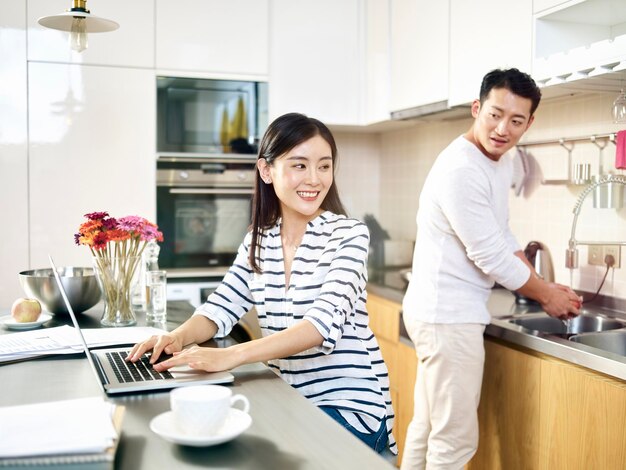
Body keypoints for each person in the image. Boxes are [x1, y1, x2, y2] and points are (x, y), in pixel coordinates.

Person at [128, 112, 397, 455]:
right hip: (289, 400)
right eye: (299, 165)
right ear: (267, 171)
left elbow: (319, 326)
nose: (314, 179)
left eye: (324, 166)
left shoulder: (349, 235)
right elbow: (220, 308)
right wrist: (175, 337)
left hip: (350, 408)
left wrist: (230, 357)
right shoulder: (260, 240)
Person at [400, 68, 581, 469]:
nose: (503, 128)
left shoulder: (497, 160)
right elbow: (490, 256)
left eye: (516, 120)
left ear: (529, 122)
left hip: (440, 313)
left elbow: (501, 234)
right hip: (447, 317)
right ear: (476, 108)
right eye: (495, 114)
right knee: (454, 441)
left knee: (429, 426)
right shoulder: (461, 169)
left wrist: (541, 283)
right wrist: (544, 293)